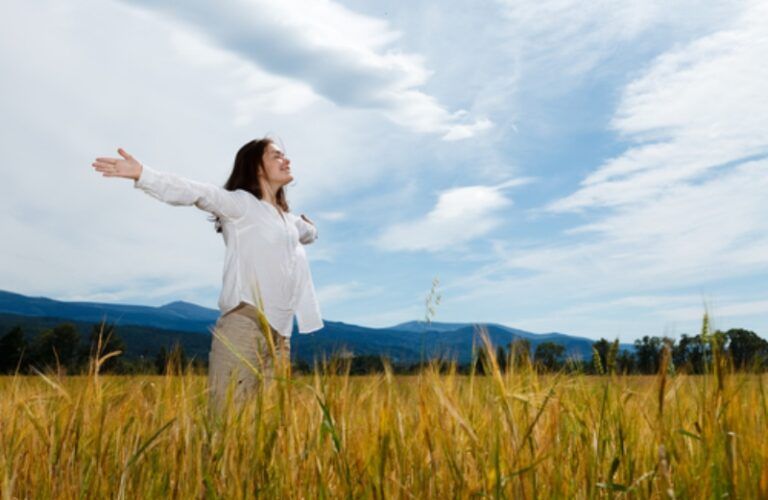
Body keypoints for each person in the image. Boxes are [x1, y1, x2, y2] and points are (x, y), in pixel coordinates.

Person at [91, 137, 323, 412]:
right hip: (245, 327)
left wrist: (310, 227)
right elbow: (197, 192)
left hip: (281, 338)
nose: (287, 160)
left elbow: (308, 233)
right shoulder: (241, 205)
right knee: (226, 421)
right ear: (256, 167)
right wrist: (144, 174)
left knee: (271, 427)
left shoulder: (288, 221)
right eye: (277, 155)